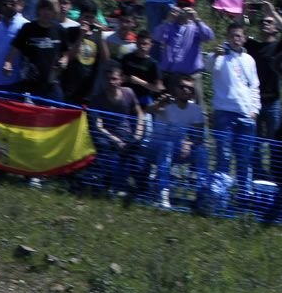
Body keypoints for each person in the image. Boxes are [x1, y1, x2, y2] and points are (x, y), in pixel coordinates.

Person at [211, 23, 261, 196]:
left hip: (246, 113)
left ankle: (244, 197)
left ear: (244, 38)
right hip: (224, 112)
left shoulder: (249, 60)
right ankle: (220, 196)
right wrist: (215, 55)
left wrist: (255, 109)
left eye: (238, 36)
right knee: (223, 156)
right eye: (232, 35)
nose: (235, 39)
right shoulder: (219, 56)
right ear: (227, 37)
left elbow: (254, 86)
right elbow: (210, 67)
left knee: (244, 158)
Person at [244, 2, 282, 178]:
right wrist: (245, 14)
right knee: (254, 143)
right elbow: (236, 32)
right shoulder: (253, 46)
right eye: (263, 22)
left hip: (273, 104)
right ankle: (258, 176)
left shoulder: (279, 47)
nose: (265, 24)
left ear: (275, 28)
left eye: (269, 22)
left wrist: (273, 12)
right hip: (254, 103)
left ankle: (275, 178)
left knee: (275, 143)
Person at [148, 73, 207, 209]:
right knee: (167, 146)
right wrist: (158, 104)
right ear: (175, 89)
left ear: (193, 94)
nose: (185, 90)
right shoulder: (165, 104)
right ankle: (163, 194)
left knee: (201, 151)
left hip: (178, 149)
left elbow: (199, 135)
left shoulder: (196, 110)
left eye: (190, 89)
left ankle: (203, 195)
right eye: (182, 87)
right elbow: (148, 110)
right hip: (154, 148)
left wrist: (188, 143)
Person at [88, 61, 146, 197]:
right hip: (108, 137)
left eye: (114, 78)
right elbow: (98, 125)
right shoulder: (97, 99)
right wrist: (115, 140)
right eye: (108, 79)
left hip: (128, 135)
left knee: (138, 159)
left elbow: (140, 113)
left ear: (121, 79)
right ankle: (108, 187)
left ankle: (139, 191)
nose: (111, 82)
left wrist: (137, 134)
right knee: (107, 153)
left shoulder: (129, 93)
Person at [4, 0, 67, 100]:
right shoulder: (28, 28)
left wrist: (64, 60)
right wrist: (8, 63)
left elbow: (66, 53)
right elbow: (14, 49)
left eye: (50, 9)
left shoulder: (60, 30)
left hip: (51, 84)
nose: (46, 12)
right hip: (29, 83)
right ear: (38, 10)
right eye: (43, 8)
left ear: (55, 12)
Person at [152, 0, 212, 103]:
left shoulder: (196, 27)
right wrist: (168, 20)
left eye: (187, 5)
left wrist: (197, 19)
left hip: (192, 77)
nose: (183, 7)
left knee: (196, 110)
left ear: (192, 7)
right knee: (170, 109)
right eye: (180, 4)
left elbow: (208, 36)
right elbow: (156, 36)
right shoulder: (169, 26)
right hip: (172, 77)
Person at [60, 4, 107, 105]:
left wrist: (101, 37)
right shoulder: (70, 32)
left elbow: (106, 60)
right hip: (70, 86)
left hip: (88, 89)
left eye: (91, 17)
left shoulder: (97, 36)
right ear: (80, 17)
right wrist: (81, 35)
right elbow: (69, 56)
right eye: (86, 17)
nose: (89, 20)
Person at [120, 29, 161, 107]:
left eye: (145, 43)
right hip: (125, 96)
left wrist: (139, 81)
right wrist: (124, 79)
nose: (142, 46)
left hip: (143, 99)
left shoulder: (153, 64)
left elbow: (158, 88)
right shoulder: (127, 57)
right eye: (139, 43)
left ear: (151, 44)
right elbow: (119, 75)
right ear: (136, 43)